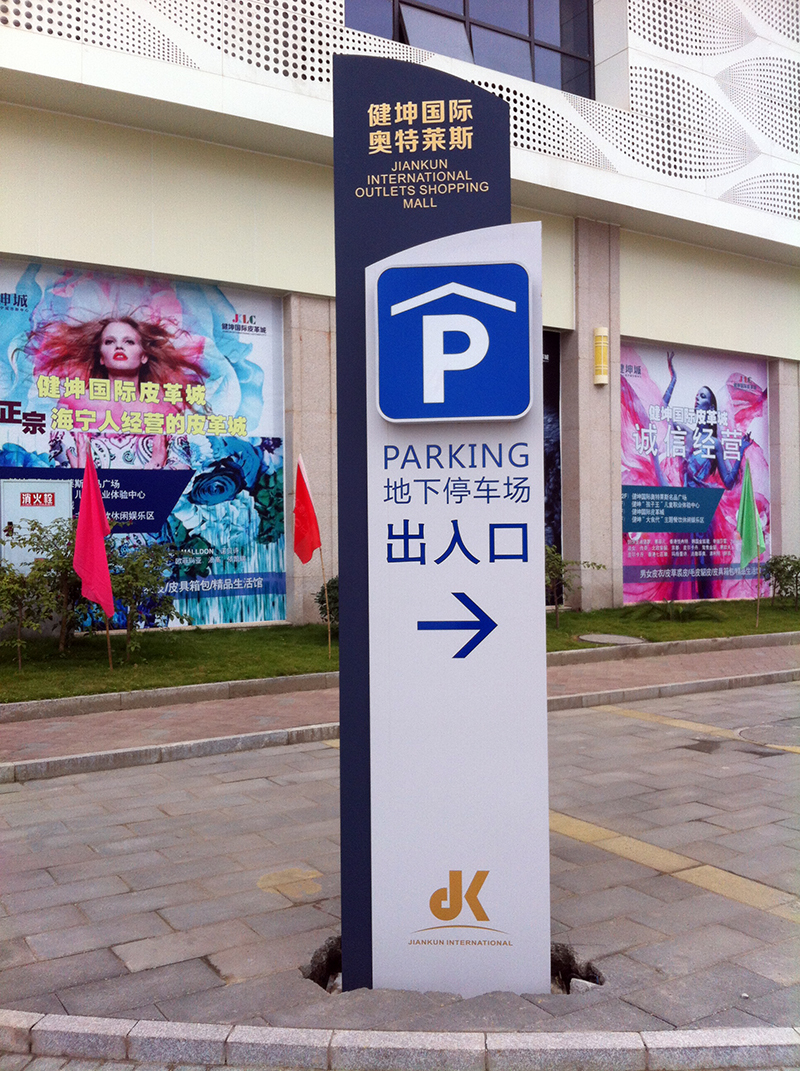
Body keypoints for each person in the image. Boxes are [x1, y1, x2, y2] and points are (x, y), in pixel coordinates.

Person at [27, 315, 205, 469]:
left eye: (129, 341)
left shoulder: (167, 406)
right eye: (109, 341)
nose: (119, 346)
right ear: (101, 357)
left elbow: (181, 465)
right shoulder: (72, 403)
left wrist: (157, 470)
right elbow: (62, 459)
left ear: (144, 356)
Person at [659, 352, 753, 597]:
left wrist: (740, 452)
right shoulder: (688, 435)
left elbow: (729, 482)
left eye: (701, 397)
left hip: (704, 512)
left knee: (703, 566)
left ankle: (706, 605)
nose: (696, 399)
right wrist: (673, 379)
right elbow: (662, 409)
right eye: (696, 396)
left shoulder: (715, 444)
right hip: (684, 511)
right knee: (680, 568)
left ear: (710, 408)